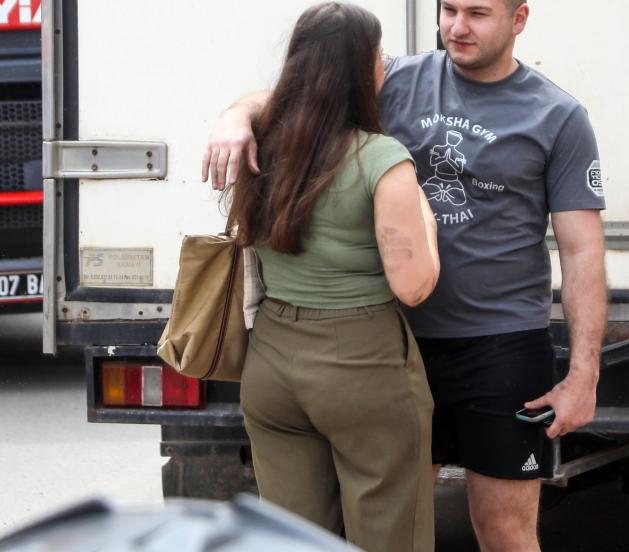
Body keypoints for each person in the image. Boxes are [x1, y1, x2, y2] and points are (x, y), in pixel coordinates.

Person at [204, 1, 607, 550]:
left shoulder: (557, 115)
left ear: (519, 19)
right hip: (393, 345)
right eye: (448, 10)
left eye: (478, 13)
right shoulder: (393, 77)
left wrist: (583, 374)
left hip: (501, 348)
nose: (457, 27)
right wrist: (234, 117)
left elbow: (582, 252)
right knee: (388, 524)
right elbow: (299, 91)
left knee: (504, 530)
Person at [221, 4, 440, 552]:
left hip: (272, 360)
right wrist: (426, 218)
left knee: (294, 540)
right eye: (379, 56)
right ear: (363, 69)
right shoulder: (382, 158)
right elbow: (414, 285)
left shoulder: (262, 145)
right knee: (391, 534)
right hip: (362, 362)